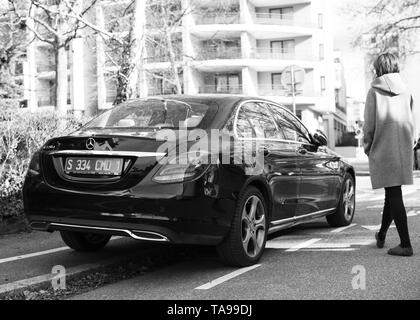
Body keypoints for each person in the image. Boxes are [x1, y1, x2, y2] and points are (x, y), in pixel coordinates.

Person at [363, 52, 417, 257]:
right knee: (391, 193)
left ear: (379, 68)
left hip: (383, 148)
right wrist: (409, 144)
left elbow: (369, 124)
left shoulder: (374, 92)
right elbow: (413, 122)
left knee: (394, 194)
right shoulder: (406, 91)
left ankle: (405, 244)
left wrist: (368, 147)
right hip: (402, 147)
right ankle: (382, 234)